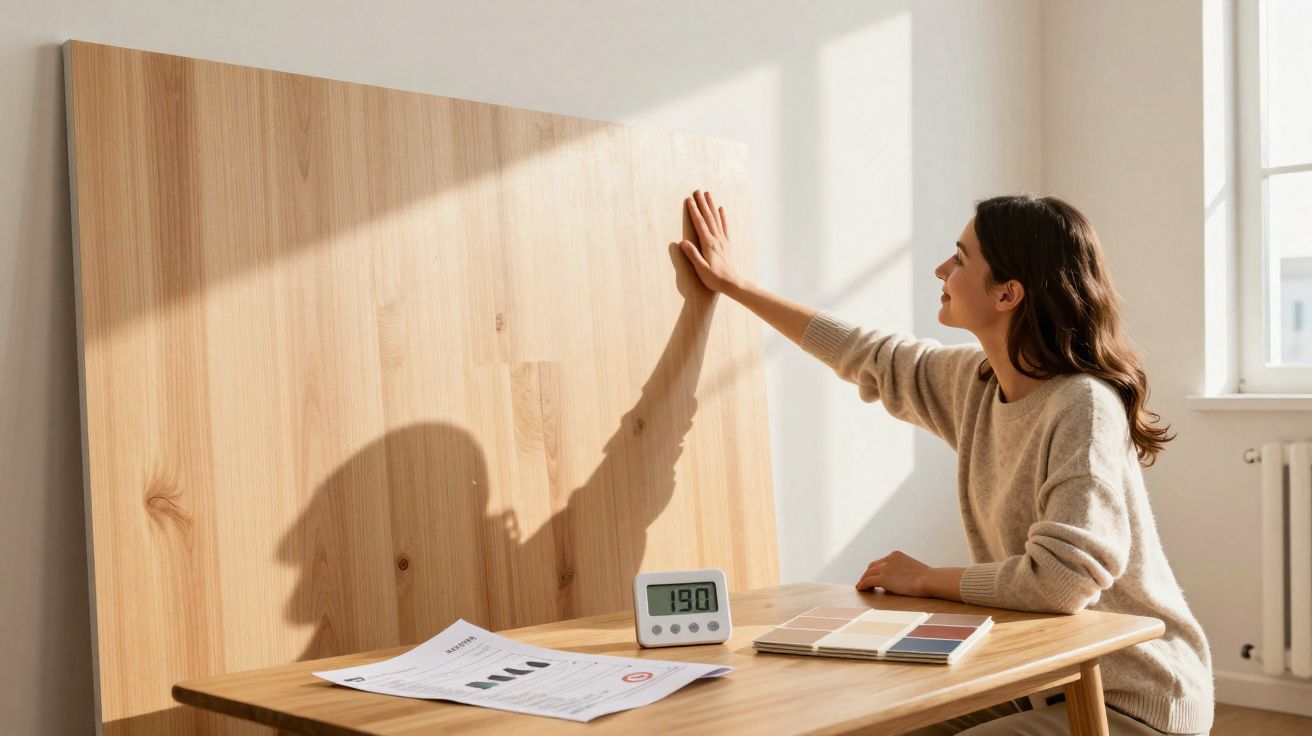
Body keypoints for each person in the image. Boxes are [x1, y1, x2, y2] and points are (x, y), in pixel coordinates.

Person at [677, 190, 1214, 735]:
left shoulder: (1083, 406)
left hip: (1132, 696)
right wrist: (735, 286)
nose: (941, 269)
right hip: (1042, 680)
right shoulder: (977, 383)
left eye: (960, 257)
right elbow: (870, 355)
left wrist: (925, 578)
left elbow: (1059, 582)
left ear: (1008, 293)